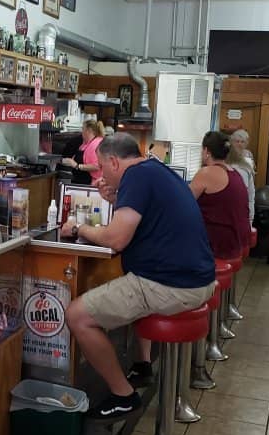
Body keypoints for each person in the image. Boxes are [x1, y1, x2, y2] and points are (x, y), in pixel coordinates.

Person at [62, 133, 215, 418]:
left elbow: (116, 239)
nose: (101, 175)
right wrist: (117, 198)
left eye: (102, 168)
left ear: (114, 162)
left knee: (77, 316)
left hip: (172, 285)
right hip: (196, 279)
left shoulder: (136, 177)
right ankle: (141, 365)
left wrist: (77, 229)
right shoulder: (155, 170)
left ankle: (123, 395)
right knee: (114, 289)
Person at [189, 130, 250, 260]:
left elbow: (183, 203)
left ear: (206, 151)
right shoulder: (234, 172)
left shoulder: (207, 172)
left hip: (220, 245)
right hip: (238, 240)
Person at [61, 119, 104, 185]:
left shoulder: (96, 144)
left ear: (88, 131)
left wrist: (77, 166)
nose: (82, 132)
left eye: (83, 129)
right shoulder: (86, 143)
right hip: (79, 180)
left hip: (91, 183)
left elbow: (97, 166)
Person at [227, 140, 255, 224]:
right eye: (237, 141)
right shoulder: (245, 166)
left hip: (239, 216)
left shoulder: (240, 169)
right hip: (243, 216)